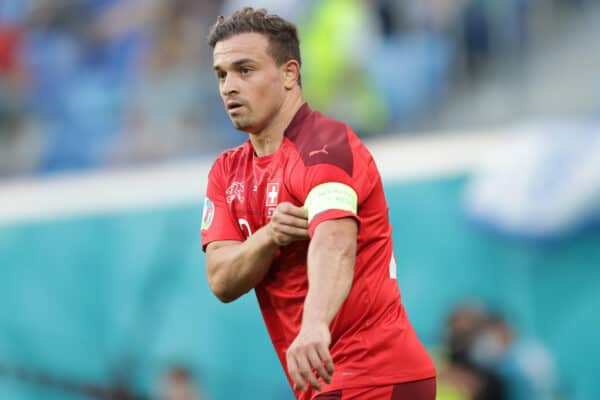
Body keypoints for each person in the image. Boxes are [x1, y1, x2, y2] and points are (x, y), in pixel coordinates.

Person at [201, 7, 436, 400]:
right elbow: (221, 280)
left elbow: (335, 242)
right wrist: (268, 237)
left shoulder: (326, 147)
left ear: (290, 74)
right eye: (221, 75)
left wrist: (314, 325)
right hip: (328, 379)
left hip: (375, 372)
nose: (229, 87)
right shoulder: (227, 172)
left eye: (245, 70)